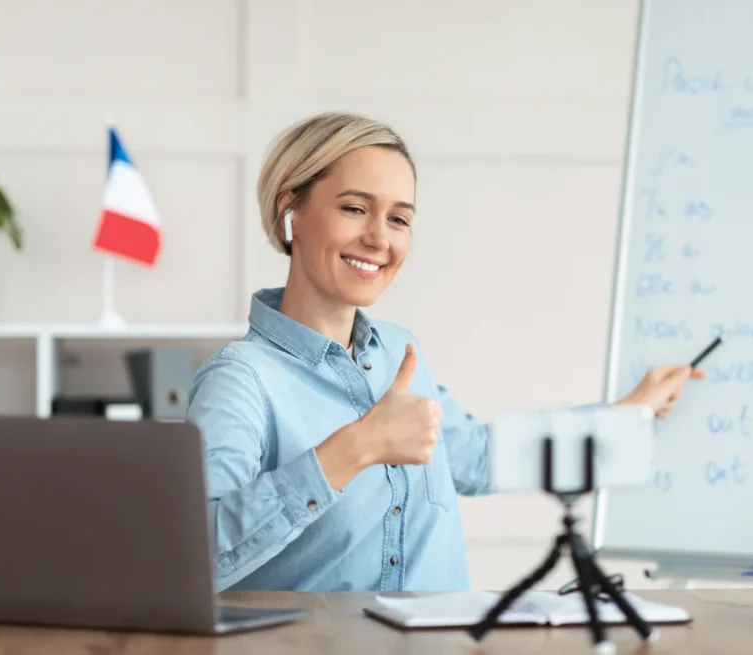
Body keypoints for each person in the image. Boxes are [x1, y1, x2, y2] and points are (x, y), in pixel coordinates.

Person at [186, 112, 704, 593]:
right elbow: (194, 557)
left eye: (399, 219)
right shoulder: (241, 379)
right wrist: (355, 448)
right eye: (354, 208)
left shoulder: (398, 353)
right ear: (290, 209)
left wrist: (626, 415)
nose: (377, 238)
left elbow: (476, 457)